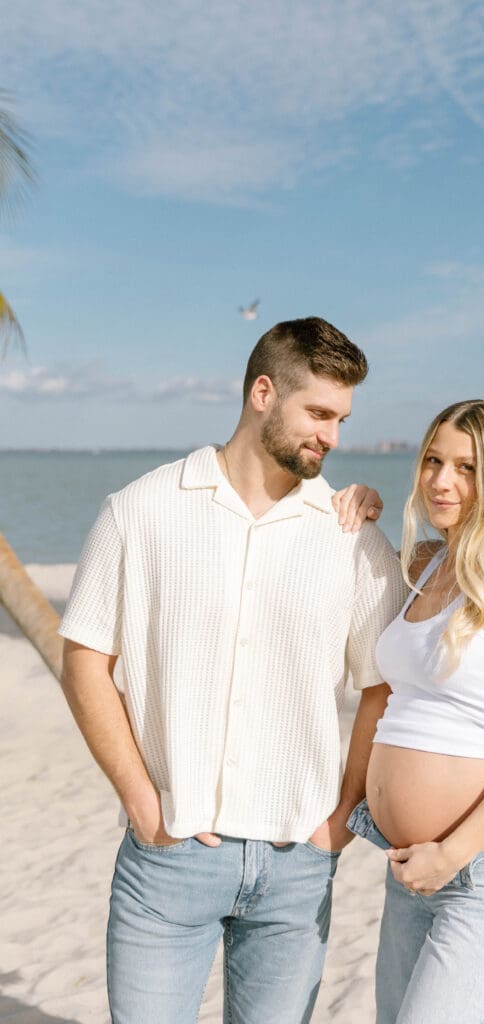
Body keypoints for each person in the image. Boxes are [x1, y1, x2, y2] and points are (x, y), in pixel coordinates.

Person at [58, 316, 406, 1024]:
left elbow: (384, 685)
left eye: (341, 419)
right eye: (318, 413)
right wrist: (140, 799)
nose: (332, 436)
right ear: (262, 392)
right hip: (168, 859)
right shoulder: (139, 511)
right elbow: (86, 658)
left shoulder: (352, 538)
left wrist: (341, 816)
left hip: (296, 869)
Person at [346, 398, 484, 1024]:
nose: (442, 481)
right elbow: (384, 692)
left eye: (466, 468)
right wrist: (355, 509)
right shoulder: (422, 566)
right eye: (433, 461)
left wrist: (455, 852)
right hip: (409, 870)